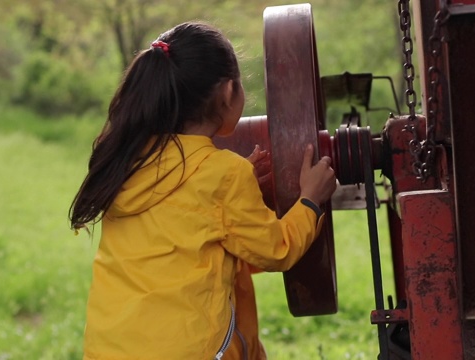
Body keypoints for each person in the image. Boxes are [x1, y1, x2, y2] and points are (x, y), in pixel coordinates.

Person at [69, 22, 337, 360]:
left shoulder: (125, 160)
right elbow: (275, 250)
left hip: (110, 349)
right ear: (227, 93)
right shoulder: (223, 174)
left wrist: (241, 189)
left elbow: (188, 225)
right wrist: (310, 199)